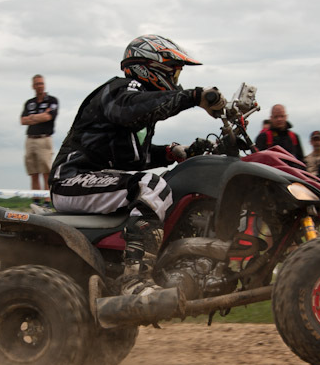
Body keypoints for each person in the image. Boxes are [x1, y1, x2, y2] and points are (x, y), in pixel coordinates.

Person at [50, 34, 225, 295]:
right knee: (151, 185)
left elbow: (132, 158)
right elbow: (131, 109)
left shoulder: (134, 107)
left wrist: (172, 152)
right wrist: (194, 96)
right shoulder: (120, 89)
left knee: (170, 188)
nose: (176, 80)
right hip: (71, 179)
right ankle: (134, 280)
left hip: (95, 180)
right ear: (150, 67)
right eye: (174, 72)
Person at [20, 74, 59, 203]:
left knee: (45, 172)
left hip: (44, 139)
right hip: (30, 139)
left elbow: (48, 117)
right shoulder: (29, 103)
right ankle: (35, 201)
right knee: (33, 172)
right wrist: (39, 116)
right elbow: (22, 120)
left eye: (41, 83)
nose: (40, 86)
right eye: (37, 84)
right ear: (33, 86)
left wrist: (32, 118)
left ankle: (46, 201)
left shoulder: (52, 101)